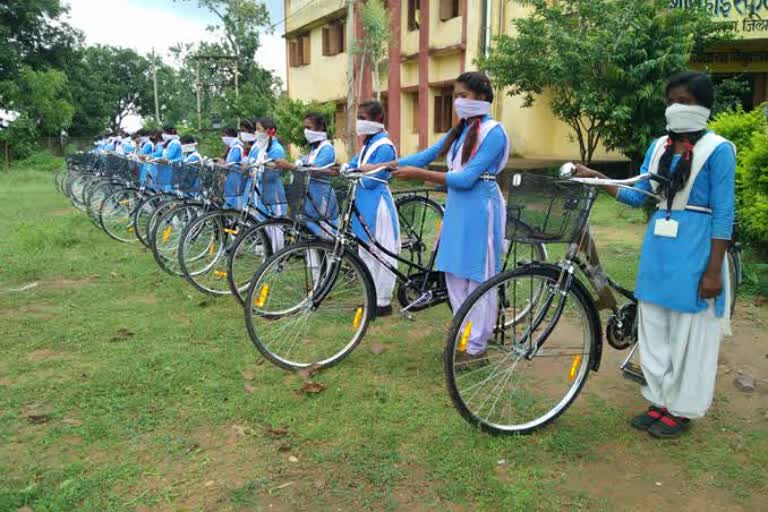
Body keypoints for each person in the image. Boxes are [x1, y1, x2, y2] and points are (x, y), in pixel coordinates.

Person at [573, 71, 736, 439]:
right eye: (671, 101)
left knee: (688, 333)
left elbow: (724, 214)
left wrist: (713, 272)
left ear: (704, 106)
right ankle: (660, 400)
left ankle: (682, 409)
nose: (676, 108)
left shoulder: (719, 150)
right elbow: (637, 196)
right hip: (659, 250)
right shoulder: (659, 146)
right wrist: (599, 178)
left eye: (685, 101)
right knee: (655, 328)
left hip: (696, 251)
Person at [366, 71, 509, 353]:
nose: (457, 102)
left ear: (482, 97)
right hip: (457, 209)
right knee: (454, 274)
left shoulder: (495, 133)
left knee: (478, 277)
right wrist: (383, 166)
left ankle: (477, 347)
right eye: (455, 96)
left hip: (481, 210)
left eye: (462, 96)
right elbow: (425, 156)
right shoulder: (461, 132)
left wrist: (422, 175)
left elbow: (468, 178)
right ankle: (463, 334)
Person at [345, 100, 400, 317]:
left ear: (378, 120)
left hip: (378, 204)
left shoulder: (384, 146)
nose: (359, 122)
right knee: (366, 251)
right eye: (358, 117)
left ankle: (383, 301)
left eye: (364, 118)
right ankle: (372, 296)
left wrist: (357, 170)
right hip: (364, 201)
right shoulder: (368, 145)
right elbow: (354, 164)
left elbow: (371, 180)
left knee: (383, 251)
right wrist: (351, 167)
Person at [274, 111, 339, 238]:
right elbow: (303, 162)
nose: (306, 131)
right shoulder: (314, 149)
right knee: (311, 231)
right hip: (311, 195)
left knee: (325, 233)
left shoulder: (327, 149)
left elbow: (314, 168)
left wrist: (291, 166)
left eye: (308, 127)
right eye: (304, 128)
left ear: (320, 128)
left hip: (322, 196)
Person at [249, 117, 288, 250]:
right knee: (263, 223)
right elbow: (251, 164)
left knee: (275, 226)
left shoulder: (277, 149)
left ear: (268, 131)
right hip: (260, 191)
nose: (256, 132)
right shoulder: (259, 147)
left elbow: (276, 171)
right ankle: (268, 254)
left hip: (273, 192)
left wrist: (259, 170)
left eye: (258, 129)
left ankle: (278, 256)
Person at [220, 127, 247, 209]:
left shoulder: (236, 148)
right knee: (229, 198)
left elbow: (231, 163)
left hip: (235, 177)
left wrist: (222, 163)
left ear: (230, 136)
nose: (223, 138)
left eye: (224, 135)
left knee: (234, 199)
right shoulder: (232, 147)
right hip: (231, 177)